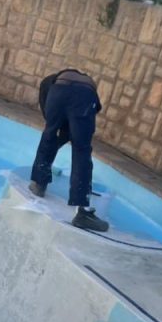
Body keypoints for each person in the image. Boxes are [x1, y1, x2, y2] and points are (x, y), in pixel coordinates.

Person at [29, 69, 110, 233]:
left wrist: (57, 139)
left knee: (49, 134)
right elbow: (90, 116)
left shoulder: (51, 86)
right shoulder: (84, 83)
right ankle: (83, 213)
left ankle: (39, 183)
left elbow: (52, 123)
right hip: (84, 97)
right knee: (82, 150)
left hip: (59, 95)